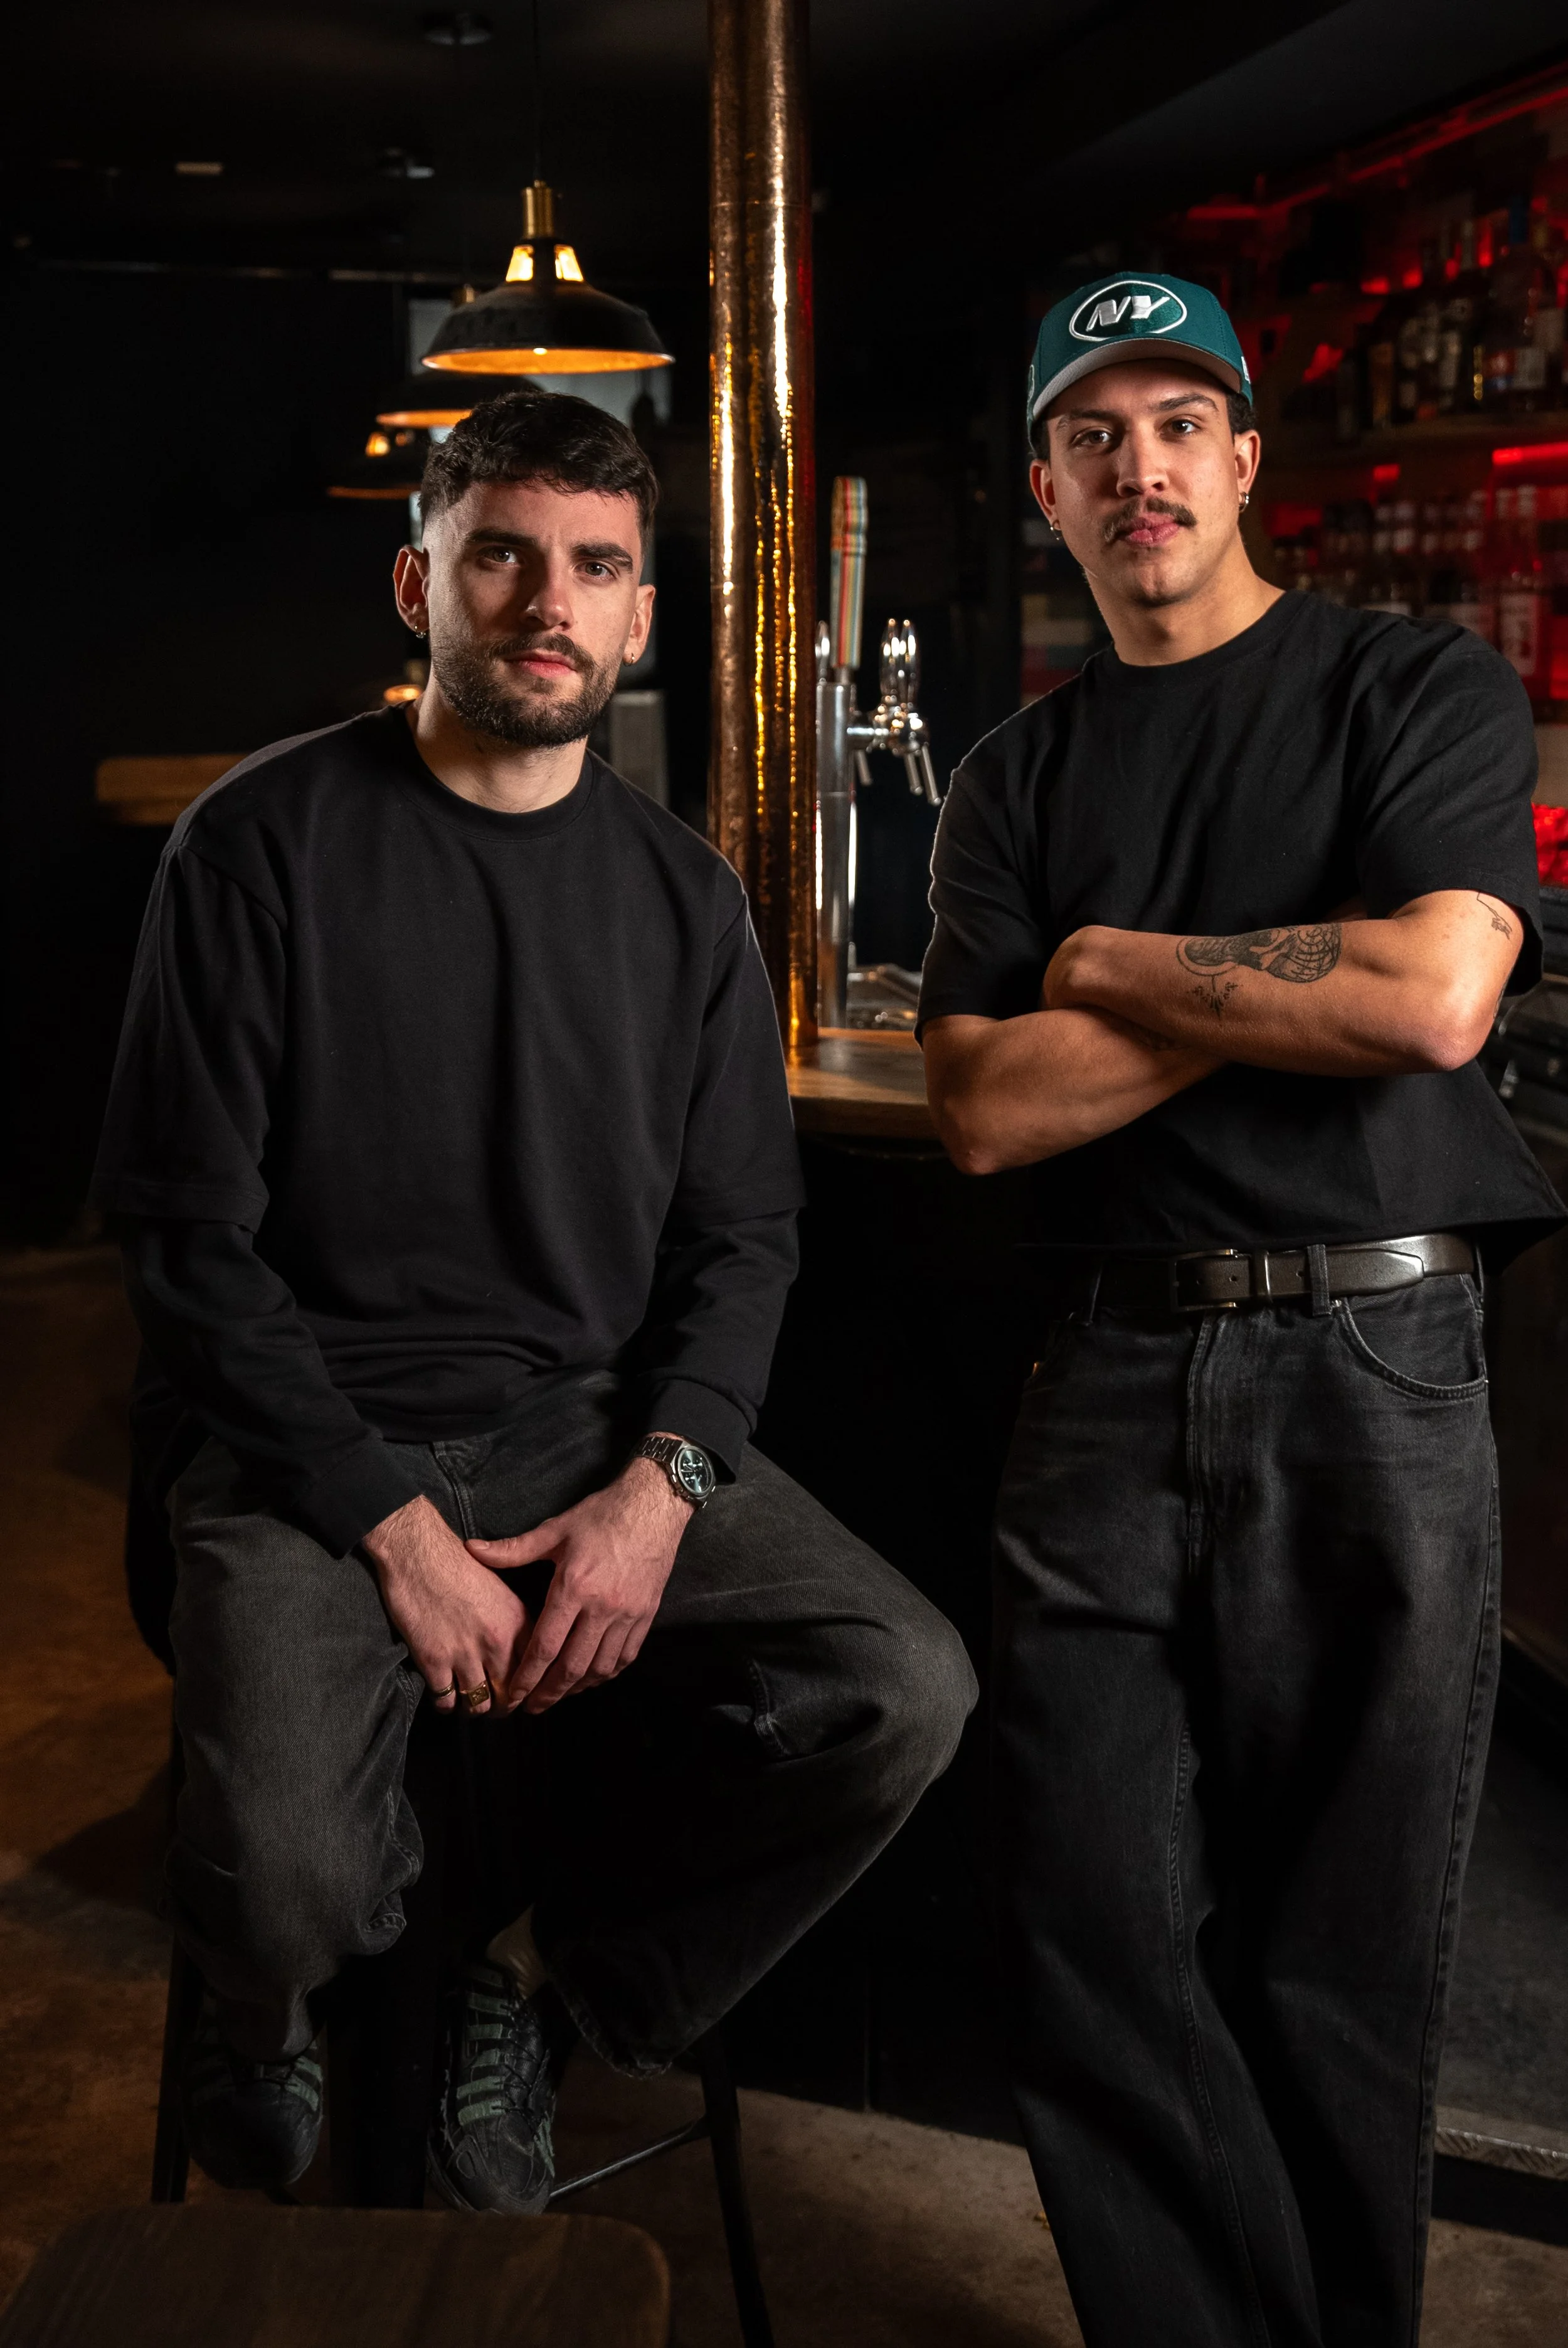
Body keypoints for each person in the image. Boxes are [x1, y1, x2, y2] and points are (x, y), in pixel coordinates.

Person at [95, 388, 975, 2209]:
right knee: (293, 1875)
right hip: (304, 1438)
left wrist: (663, 1490)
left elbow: (745, 1241)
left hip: (572, 1428)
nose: (545, 602)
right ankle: (259, 1998)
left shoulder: (683, 902)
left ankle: (549, 1984)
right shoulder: (263, 843)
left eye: (592, 567)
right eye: (499, 554)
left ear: (643, 614)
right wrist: (387, 1524)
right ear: (417, 580)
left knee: (900, 1687)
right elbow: (185, 1240)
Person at [919, 273, 1562, 2348]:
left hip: (1375, 1367)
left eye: (1178, 421)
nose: (1140, 467)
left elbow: (1436, 999)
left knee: (1338, 1960)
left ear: (1245, 457)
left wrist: (1111, 965)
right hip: (1102, 1371)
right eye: (1091, 436)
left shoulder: (1414, 685)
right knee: (1085, 1940)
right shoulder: (1014, 782)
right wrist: (1292, 983)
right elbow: (987, 1112)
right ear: (1046, 486)